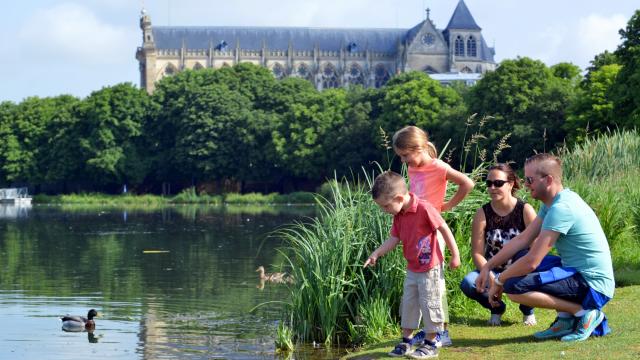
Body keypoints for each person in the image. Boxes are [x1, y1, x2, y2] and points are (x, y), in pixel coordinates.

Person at [476, 153, 615, 342]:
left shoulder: (561, 209)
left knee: (513, 287)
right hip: (577, 272)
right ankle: (565, 321)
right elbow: (523, 239)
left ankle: (584, 313)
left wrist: (499, 281)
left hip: (593, 285)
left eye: (530, 179)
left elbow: (533, 261)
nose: (525, 184)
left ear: (548, 180)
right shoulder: (554, 202)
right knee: (519, 257)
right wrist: (488, 266)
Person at [364, 171, 461, 358]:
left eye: (386, 206)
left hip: (430, 267)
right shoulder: (399, 215)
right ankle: (406, 341)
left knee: (430, 303)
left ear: (399, 197)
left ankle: (431, 344)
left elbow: (444, 229)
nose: (385, 210)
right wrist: (377, 253)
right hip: (412, 268)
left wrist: (455, 254)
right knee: (409, 304)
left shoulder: (425, 209)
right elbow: (394, 239)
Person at [392, 125, 474, 346]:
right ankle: (431, 330)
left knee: (435, 284)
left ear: (418, 148)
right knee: (421, 286)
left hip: (433, 232)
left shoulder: (439, 166)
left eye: (405, 156)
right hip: (417, 231)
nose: (403, 161)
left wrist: (447, 205)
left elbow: (468, 183)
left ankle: (442, 333)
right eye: (400, 157)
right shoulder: (412, 167)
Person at [459, 163, 538, 326]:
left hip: (519, 269)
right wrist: (490, 275)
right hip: (493, 268)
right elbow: (477, 253)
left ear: (510, 184)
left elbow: (536, 249)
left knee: (530, 273)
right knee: (468, 283)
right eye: (489, 183)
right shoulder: (482, 213)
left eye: (498, 183)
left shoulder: (525, 210)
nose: (492, 187)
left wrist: (509, 275)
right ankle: (496, 308)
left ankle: (528, 310)